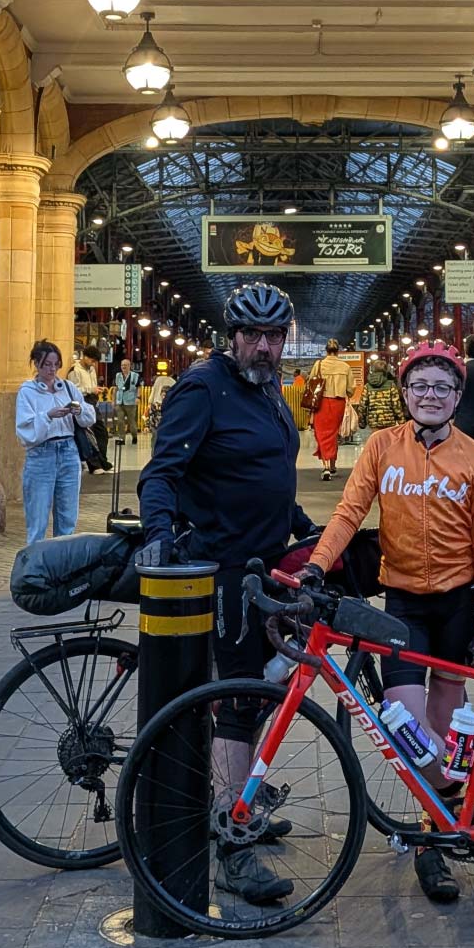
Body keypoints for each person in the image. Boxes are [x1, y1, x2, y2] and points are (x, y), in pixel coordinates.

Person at [299, 339, 474, 905]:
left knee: (447, 731)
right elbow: (349, 512)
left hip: (459, 607)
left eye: (442, 386)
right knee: (410, 731)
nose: (430, 395)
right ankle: (470, 807)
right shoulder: (382, 447)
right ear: (406, 393)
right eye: (420, 386)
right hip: (405, 606)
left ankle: (432, 843)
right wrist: (316, 564)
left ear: (457, 396)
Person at [138, 282, 318, 907]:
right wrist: (158, 536)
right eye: (253, 335)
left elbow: (266, 477)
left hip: (265, 565)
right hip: (223, 570)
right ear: (232, 336)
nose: (264, 347)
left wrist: (304, 528)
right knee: (240, 700)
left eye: (274, 336)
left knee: (263, 690)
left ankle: (241, 795)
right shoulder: (202, 388)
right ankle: (232, 845)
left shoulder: (268, 389)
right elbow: (162, 473)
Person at [16, 339, 97, 545]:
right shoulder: (27, 391)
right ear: (36, 364)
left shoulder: (68, 387)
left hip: (69, 452)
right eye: (47, 364)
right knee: (38, 518)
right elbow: (26, 431)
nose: (52, 369)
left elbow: (89, 418)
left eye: (56, 364)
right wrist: (48, 415)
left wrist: (79, 410)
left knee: (67, 517)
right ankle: (36, 562)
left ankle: (63, 561)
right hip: (41, 454)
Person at [310, 338, 356, 480]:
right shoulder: (345, 367)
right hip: (338, 403)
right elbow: (351, 389)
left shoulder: (319, 365)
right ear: (338, 351)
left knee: (322, 434)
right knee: (333, 433)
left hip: (321, 403)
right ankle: (333, 464)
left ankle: (326, 467)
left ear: (326, 350)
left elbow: (311, 383)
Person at [70, 344, 112, 471]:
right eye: (92, 360)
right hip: (81, 402)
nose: (93, 364)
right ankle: (93, 465)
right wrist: (90, 390)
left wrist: (96, 390)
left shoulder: (92, 369)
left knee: (101, 431)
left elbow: (93, 384)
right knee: (88, 434)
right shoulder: (74, 371)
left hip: (93, 402)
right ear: (85, 357)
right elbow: (73, 390)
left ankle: (102, 461)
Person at [356, 358, 405, 431]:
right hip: (389, 423)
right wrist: (402, 422)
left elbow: (362, 406)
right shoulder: (391, 385)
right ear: (386, 370)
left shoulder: (367, 386)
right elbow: (396, 405)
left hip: (374, 422)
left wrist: (362, 423)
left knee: (376, 438)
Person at [114, 357, 141, 444]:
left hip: (131, 402)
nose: (123, 367)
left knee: (131, 421)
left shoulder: (135, 375)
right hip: (120, 401)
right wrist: (113, 400)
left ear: (129, 366)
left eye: (125, 365)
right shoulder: (118, 375)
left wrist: (138, 397)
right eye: (122, 365)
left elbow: (139, 387)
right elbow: (116, 388)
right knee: (120, 421)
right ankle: (122, 439)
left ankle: (134, 436)